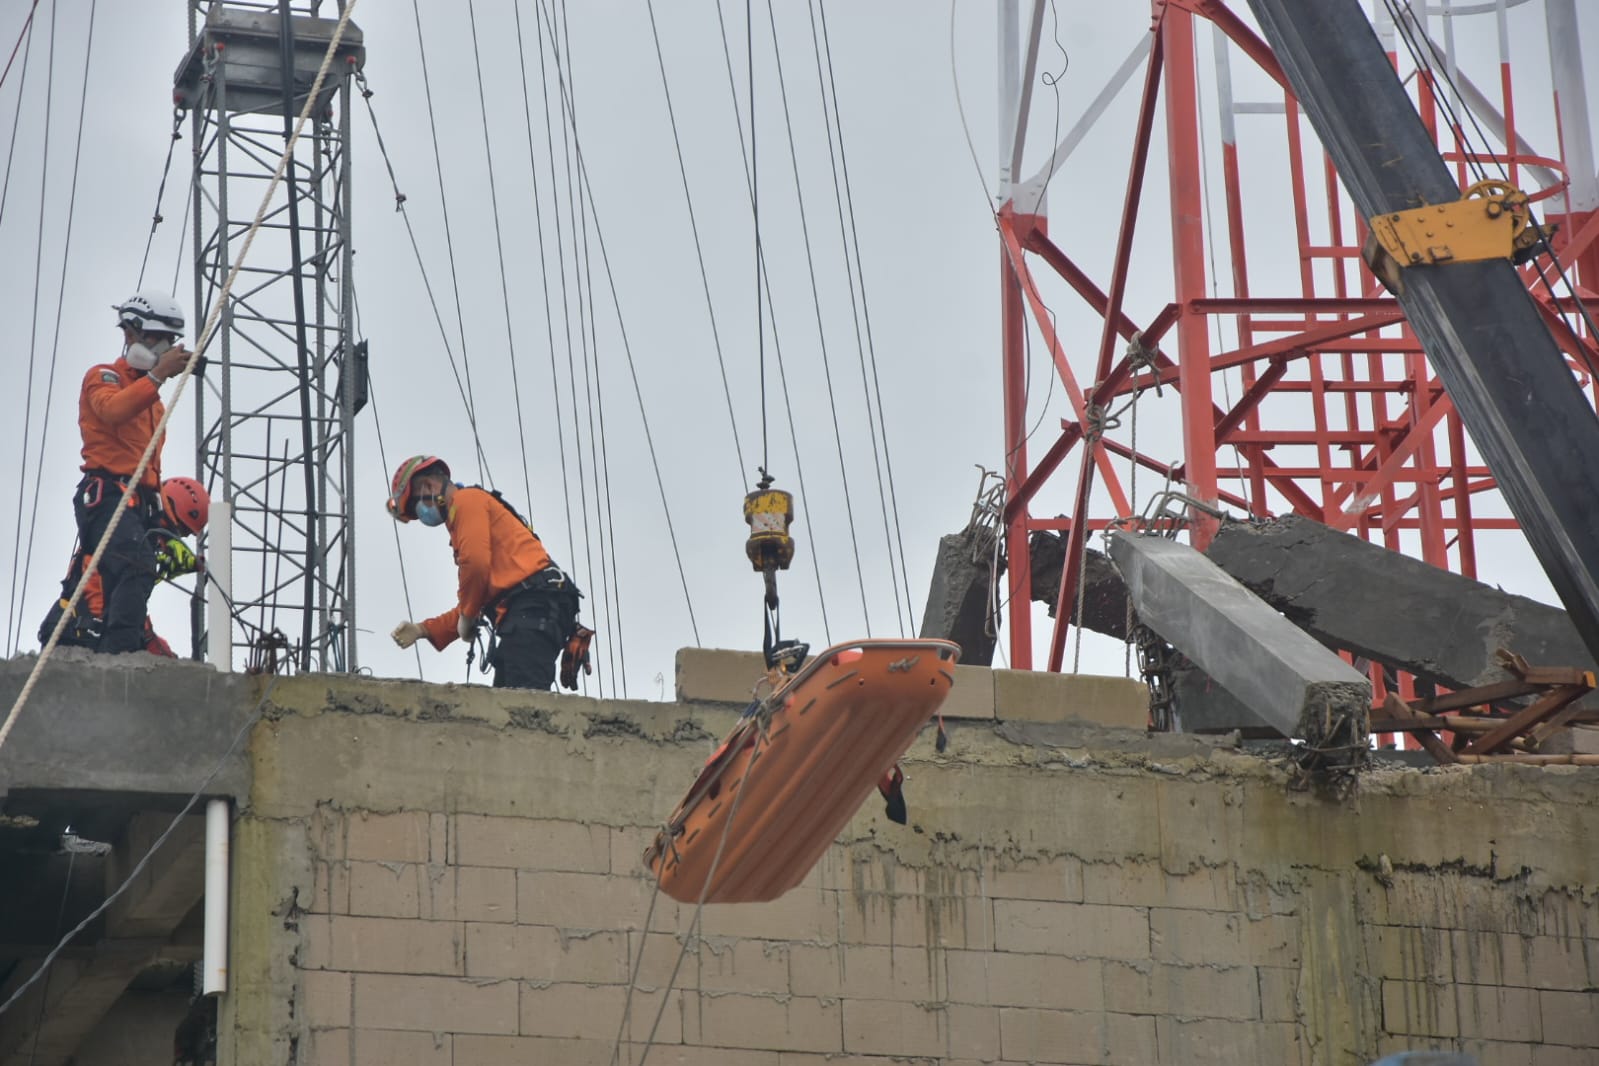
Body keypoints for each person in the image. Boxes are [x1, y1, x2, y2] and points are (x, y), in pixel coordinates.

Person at [386, 455, 592, 690]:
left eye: (416, 505)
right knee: (506, 699)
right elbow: (474, 597)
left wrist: (468, 615)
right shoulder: (466, 516)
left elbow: (475, 565)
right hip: (532, 609)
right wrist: (424, 629)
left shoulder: (466, 502)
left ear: (429, 487)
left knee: (522, 702)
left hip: (533, 608)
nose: (420, 513)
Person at [75, 292, 192, 653]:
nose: (164, 349)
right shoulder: (105, 377)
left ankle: (106, 644)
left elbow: (151, 473)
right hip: (107, 495)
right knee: (133, 564)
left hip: (137, 503)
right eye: (158, 340)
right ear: (131, 335)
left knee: (127, 574)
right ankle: (121, 656)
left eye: (169, 342)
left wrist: (170, 531)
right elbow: (112, 412)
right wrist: (156, 376)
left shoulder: (153, 405)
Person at [41, 475, 210, 657]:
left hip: (85, 634)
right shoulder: (126, 541)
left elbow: (125, 601)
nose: (176, 538)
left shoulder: (135, 542)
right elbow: (121, 596)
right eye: (181, 530)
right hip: (77, 636)